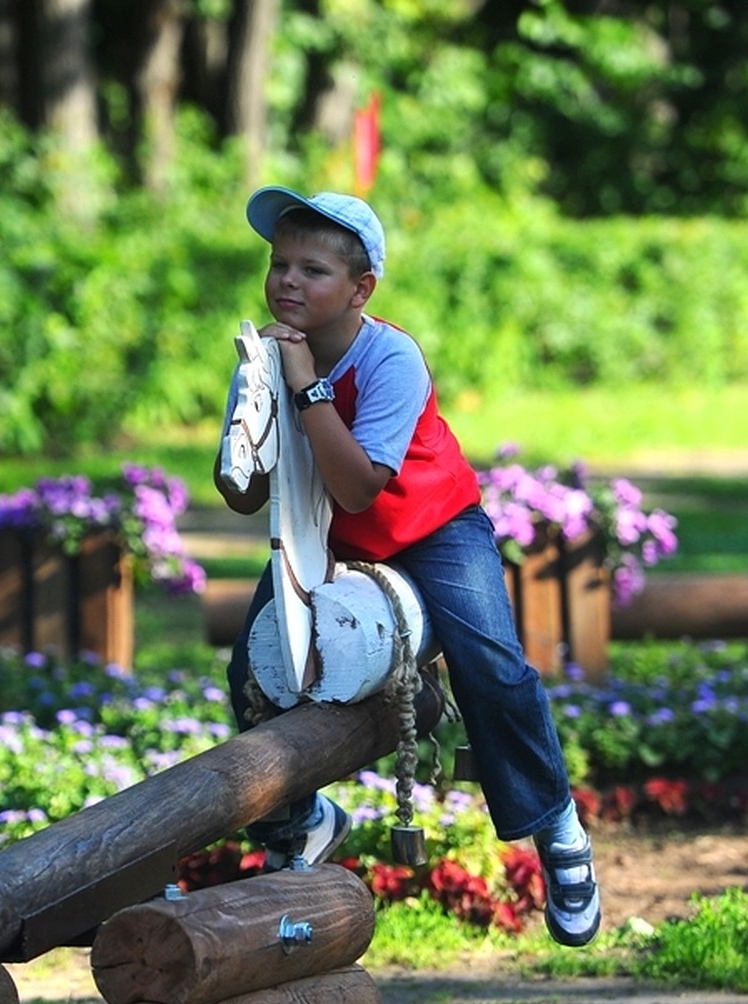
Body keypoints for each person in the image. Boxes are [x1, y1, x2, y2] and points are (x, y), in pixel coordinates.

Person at [215, 188, 601, 948]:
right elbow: (247, 493)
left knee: (491, 665)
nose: (289, 282)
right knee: (254, 668)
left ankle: (555, 826)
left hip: (430, 526)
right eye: (279, 264)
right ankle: (302, 817)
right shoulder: (264, 357)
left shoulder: (391, 358)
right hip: (326, 531)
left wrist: (304, 387)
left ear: (361, 290)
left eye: (313, 270)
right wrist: (252, 413)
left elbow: (362, 484)